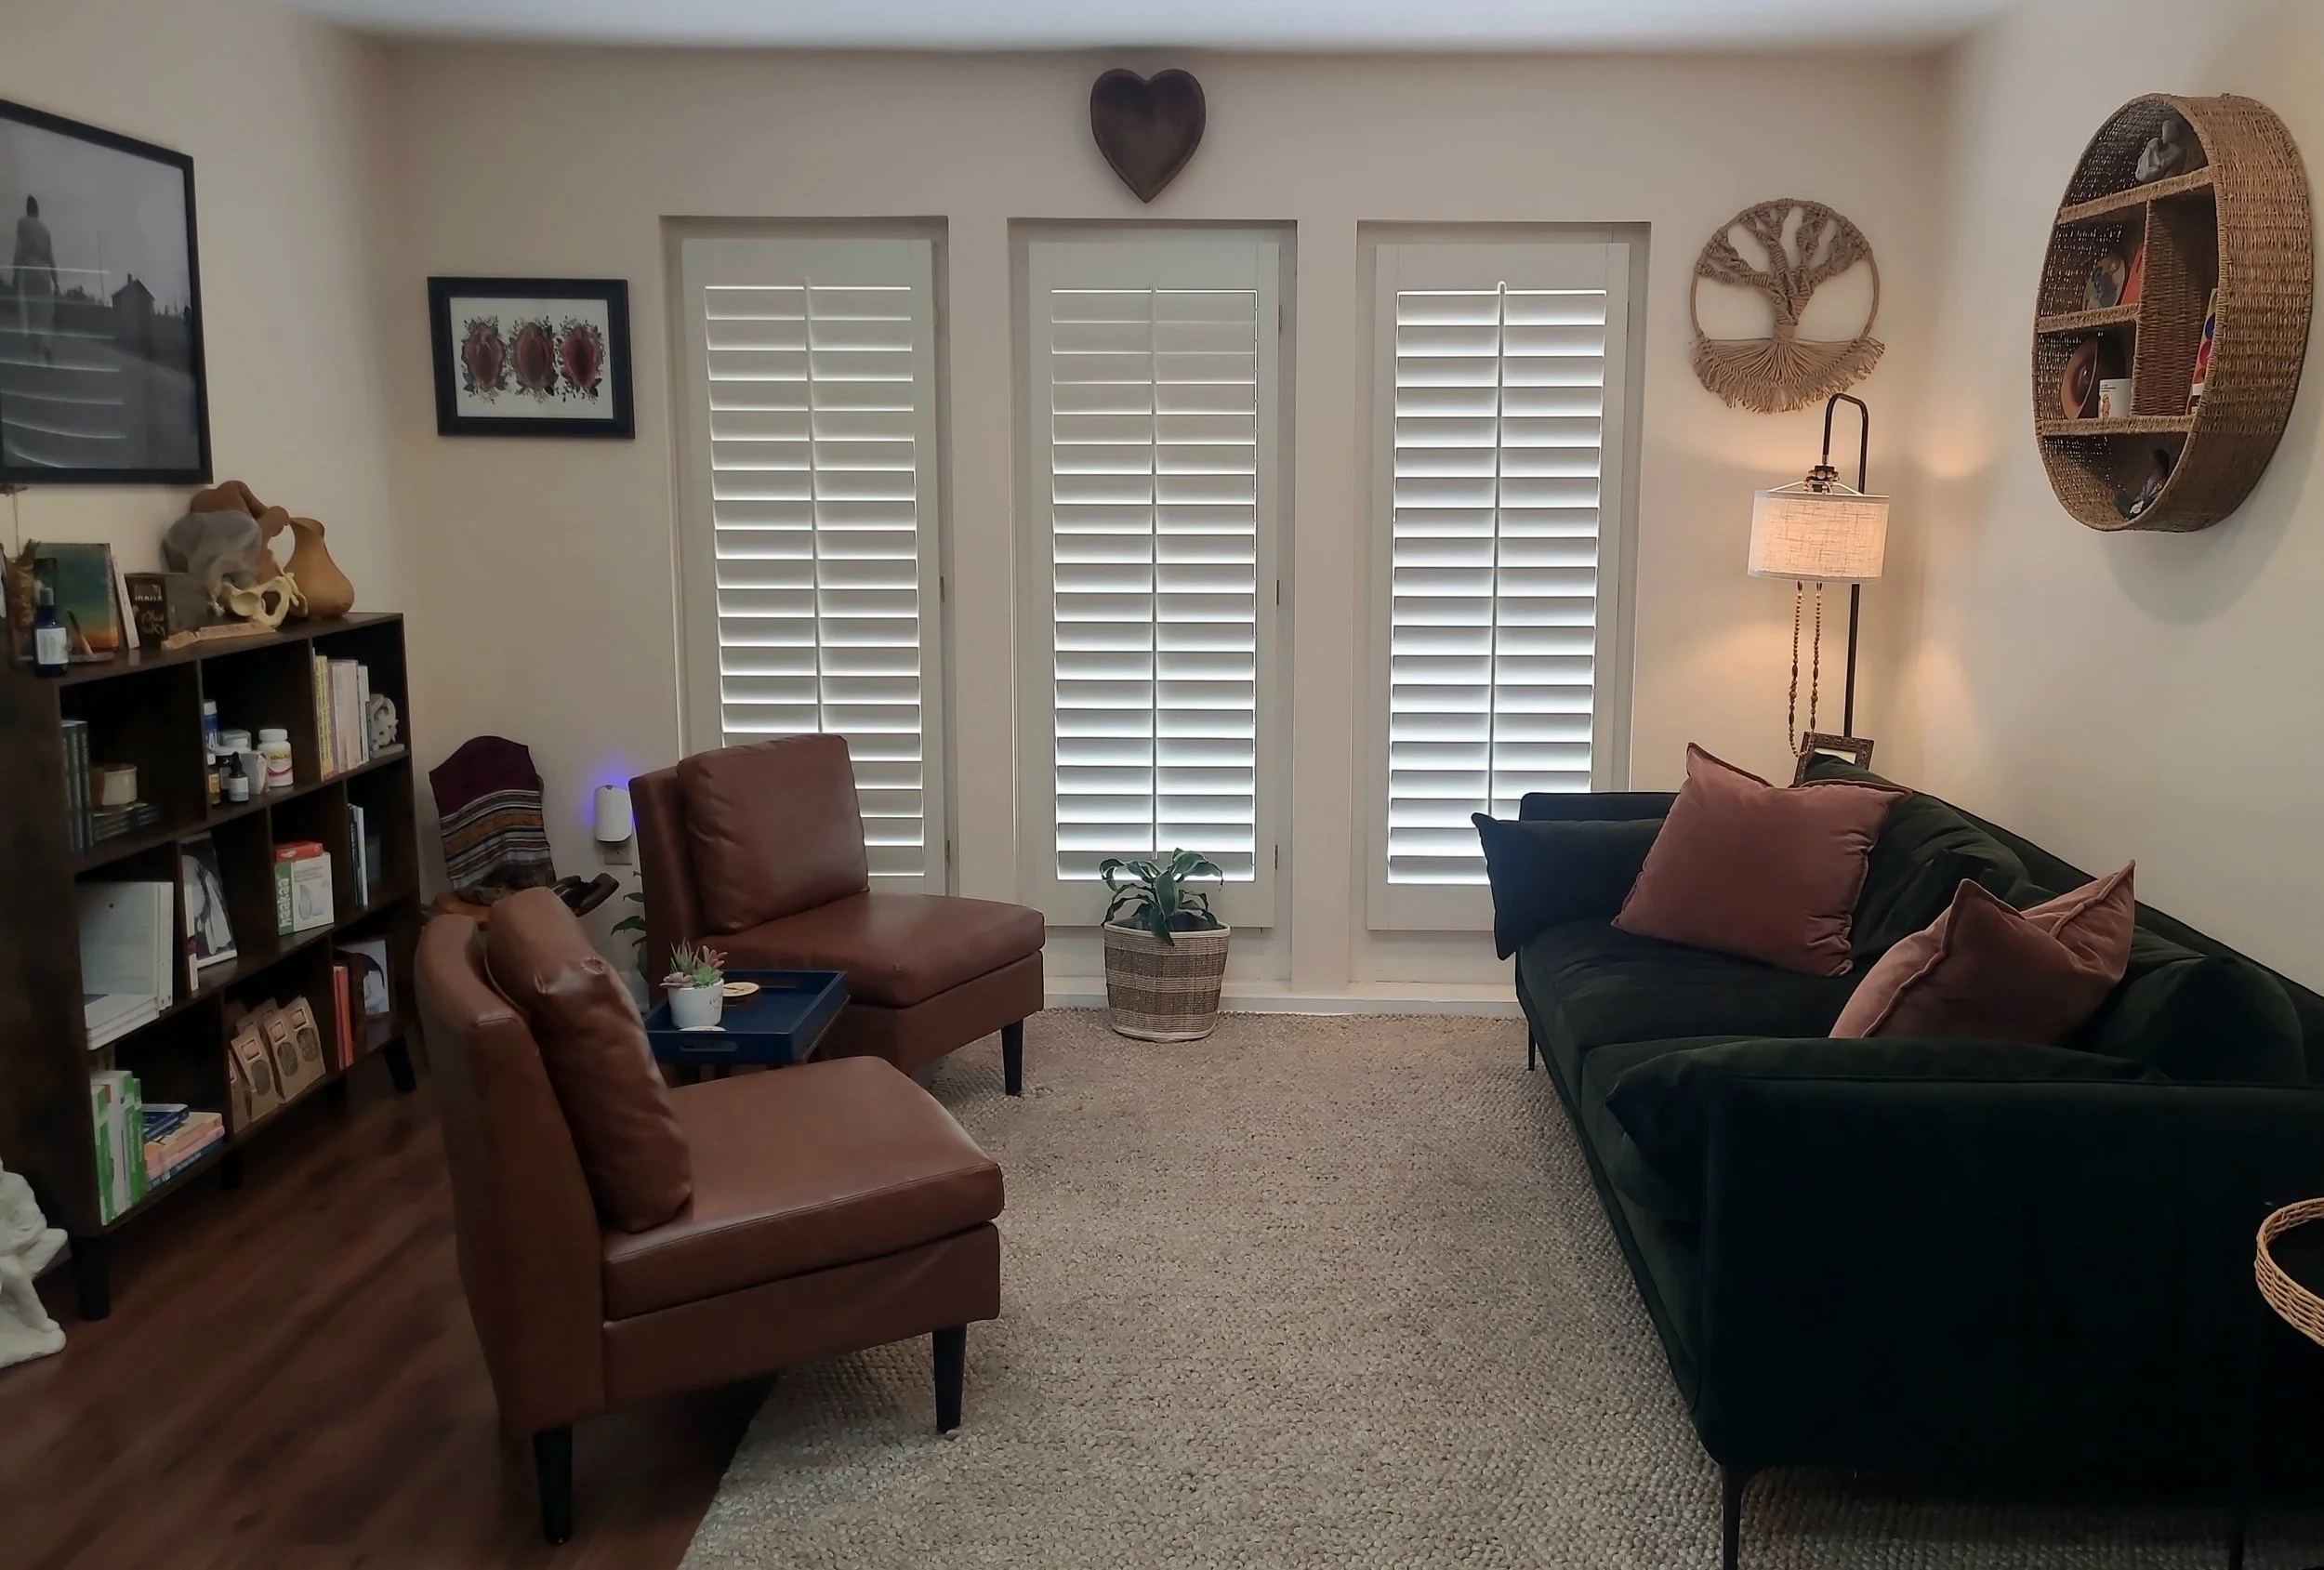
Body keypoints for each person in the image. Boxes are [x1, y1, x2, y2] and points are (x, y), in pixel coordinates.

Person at [12, 196, 58, 364]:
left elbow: (19, 249)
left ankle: (37, 348)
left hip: (29, 268)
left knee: (31, 311)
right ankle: (46, 345)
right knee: (45, 313)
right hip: (44, 271)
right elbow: (51, 258)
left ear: (27, 210)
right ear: (37, 211)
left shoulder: (23, 224)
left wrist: (16, 272)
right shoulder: (45, 231)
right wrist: (56, 281)